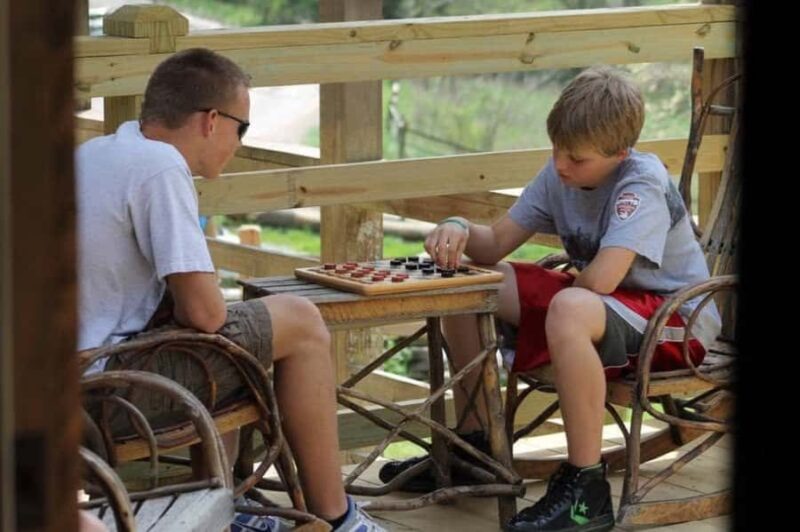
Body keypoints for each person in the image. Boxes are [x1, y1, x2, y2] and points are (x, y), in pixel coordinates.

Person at [379, 66, 721, 532]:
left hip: (676, 320)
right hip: (600, 305)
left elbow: (600, 280)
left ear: (620, 153)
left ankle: (586, 485)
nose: (561, 165)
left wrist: (544, 313)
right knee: (470, 283)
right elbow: (496, 241)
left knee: (568, 307)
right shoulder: (560, 167)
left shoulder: (640, 182)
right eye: (557, 150)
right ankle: (474, 443)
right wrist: (458, 227)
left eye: (576, 159)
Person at [76, 47, 385, 532]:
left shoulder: (94, 152)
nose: (239, 143)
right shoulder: (159, 166)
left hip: (56, 387)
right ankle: (338, 516)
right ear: (212, 120)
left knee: (246, 338)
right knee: (299, 322)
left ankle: (231, 504)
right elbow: (205, 314)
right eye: (242, 129)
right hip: (104, 394)